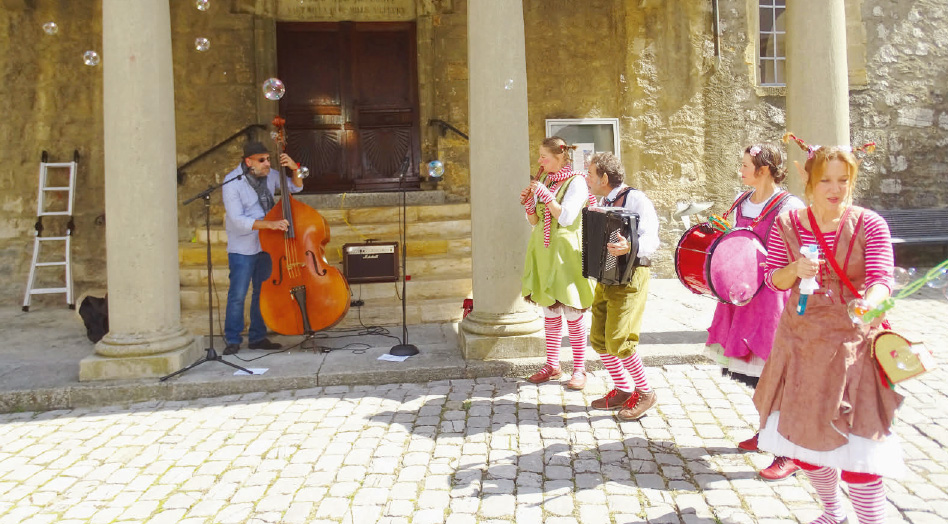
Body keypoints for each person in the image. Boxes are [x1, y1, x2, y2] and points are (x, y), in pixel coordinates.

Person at [754, 134, 902, 524]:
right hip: (800, 345)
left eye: (843, 181)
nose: (835, 190)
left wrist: (872, 300)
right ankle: (832, 513)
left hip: (852, 346)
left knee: (858, 453)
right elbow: (771, 279)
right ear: (810, 181)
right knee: (803, 447)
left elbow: (882, 278)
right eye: (826, 181)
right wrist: (793, 270)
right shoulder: (787, 222)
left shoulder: (869, 223)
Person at [704, 143, 805, 480]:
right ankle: (767, 432)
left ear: (762, 170)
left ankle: (787, 452)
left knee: (778, 376)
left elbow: (800, 253)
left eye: (746, 164)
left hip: (773, 300)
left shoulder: (789, 206)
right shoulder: (741, 201)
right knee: (760, 375)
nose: (741, 169)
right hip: (744, 297)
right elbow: (735, 240)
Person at [584, 152, 661, 421]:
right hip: (606, 277)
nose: (587, 178)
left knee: (619, 339)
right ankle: (623, 389)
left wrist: (631, 246)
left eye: (591, 174)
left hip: (631, 275)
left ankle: (646, 391)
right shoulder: (601, 201)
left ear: (604, 177)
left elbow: (651, 237)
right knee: (598, 338)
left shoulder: (636, 198)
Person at [521, 136, 597, 390]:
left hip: (567, 252)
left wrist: (546, 196)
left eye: (544, 156)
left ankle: (579, 369)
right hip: (543, 251)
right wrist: (529, 204)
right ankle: (552, 364)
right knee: (550, 310)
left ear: (559, 157)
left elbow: (565, 218)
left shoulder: (577, 182)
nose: (540, 161)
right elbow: (534, 222)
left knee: (573, 310)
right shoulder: (545, 179)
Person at [221, 141, 304, 355]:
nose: (267, 163)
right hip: (242, 246)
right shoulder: (232, 183)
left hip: (267, 244)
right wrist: (271, 224)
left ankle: (258, 337)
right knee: (238, 294)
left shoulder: (270, 174)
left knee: (262, 291)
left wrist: (295, 169)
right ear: (248, 162)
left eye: (268, 159)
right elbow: (238, 220)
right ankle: (233, 339)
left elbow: (296, 186)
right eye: (262, 160)